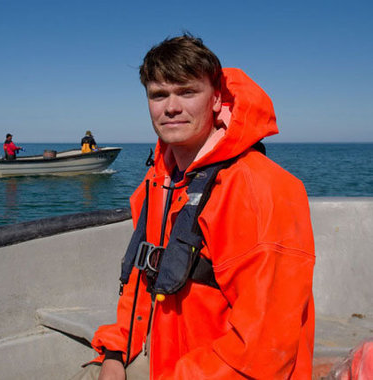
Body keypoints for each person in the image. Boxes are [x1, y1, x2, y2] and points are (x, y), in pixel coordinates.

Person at [72, 34, 315, 379]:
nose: (171, 107)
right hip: (168, 361)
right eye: (159, 95)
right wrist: (115, 350)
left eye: (187, 92)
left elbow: (262, 351)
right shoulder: (159, 182)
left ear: (216, 99)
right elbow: (145, 277)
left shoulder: (260, 188)